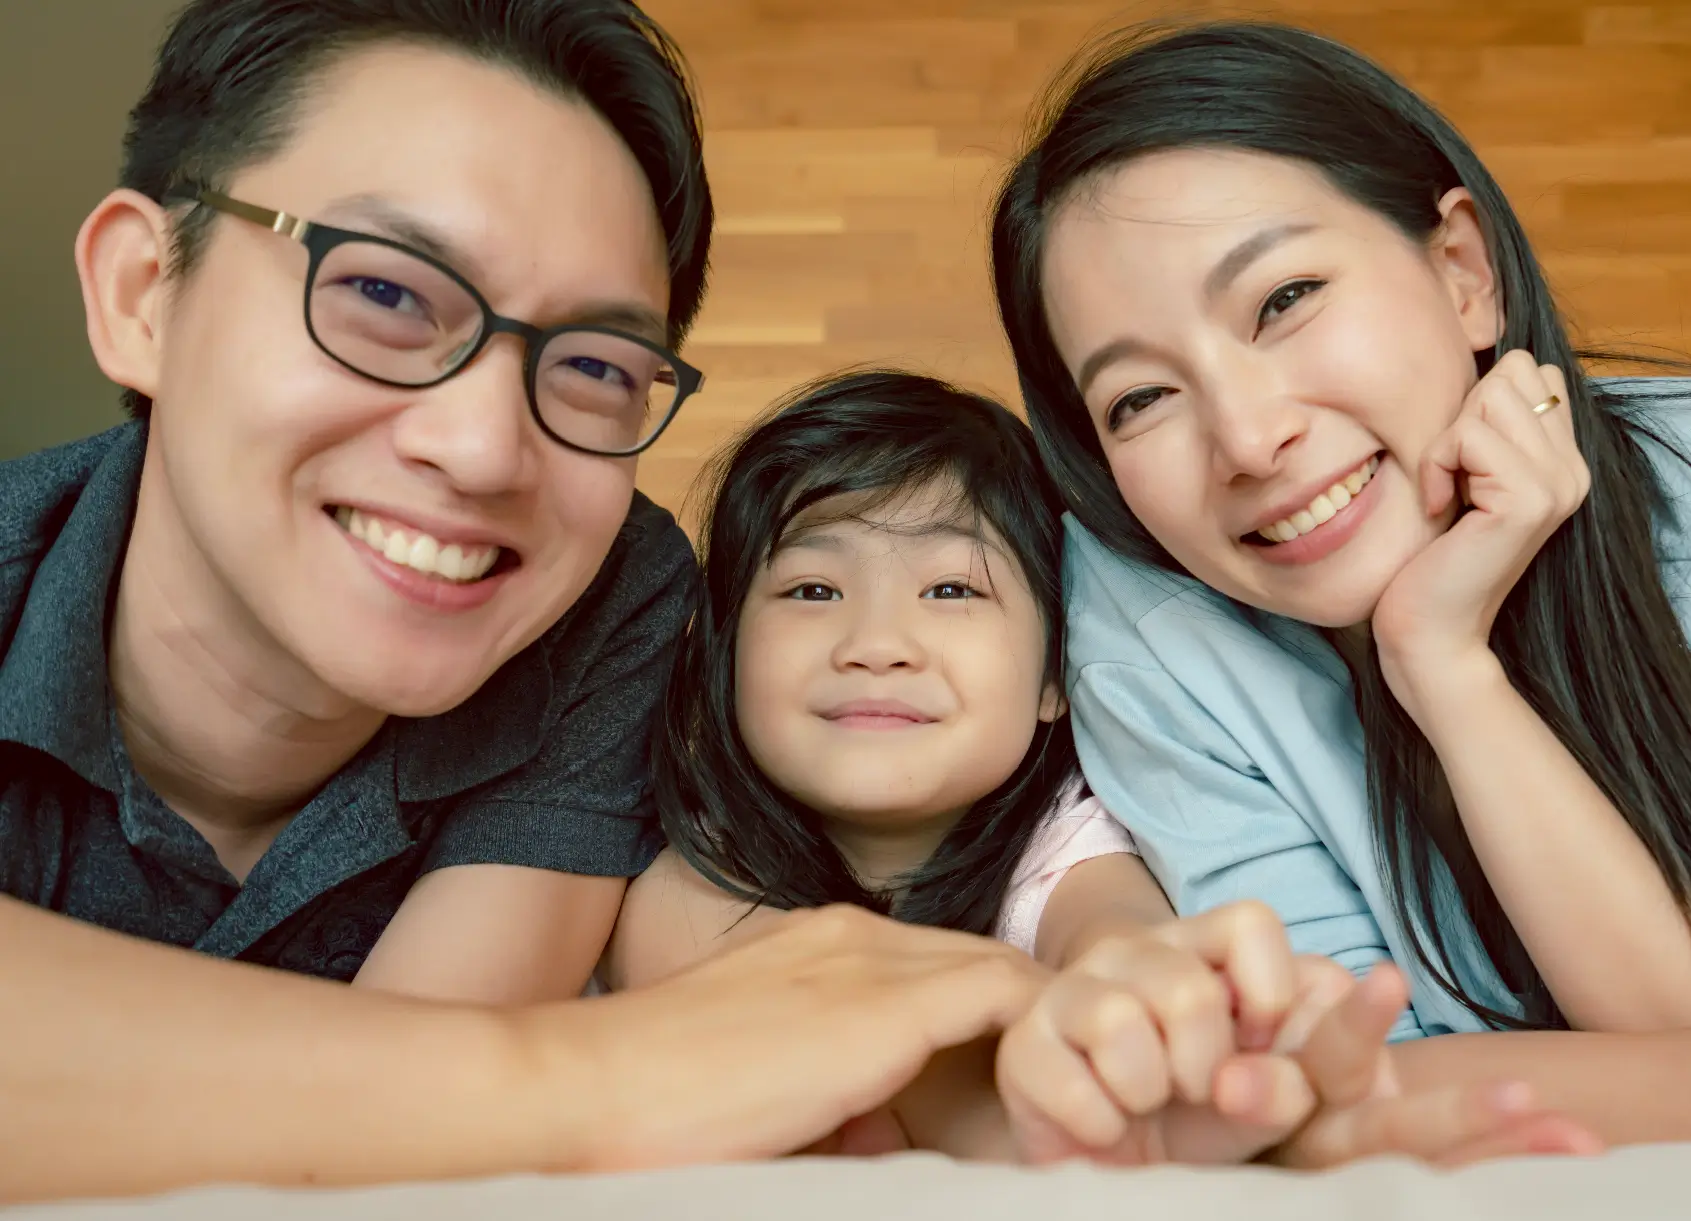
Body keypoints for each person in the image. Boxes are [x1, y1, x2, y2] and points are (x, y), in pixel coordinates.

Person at [0, 0, 1031, 1202]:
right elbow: (449, 1104)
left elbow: (397, 1159)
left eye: (593, 365)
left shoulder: (605, 597)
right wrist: (607, 1075)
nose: (486, 450)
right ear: (143, 295)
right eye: (388, 296)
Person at [989, 18, 1691, 1144]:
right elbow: (1322, 1094)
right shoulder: (1147, 626)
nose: (1247, 440)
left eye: (1283, 300)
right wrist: (1440, 659)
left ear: (1463, 272)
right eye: (1138, 398)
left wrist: (1443, 664)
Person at [605, 370, 1598, 1166]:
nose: (875, 644)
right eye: (812, 589)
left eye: (951, 589)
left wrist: (1154, 1019)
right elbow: (824, 1018)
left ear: (1054, 678)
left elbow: (1113, 939)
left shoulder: (1067, 844)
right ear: (722, 655)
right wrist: (1017, 1103)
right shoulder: (694, 877)